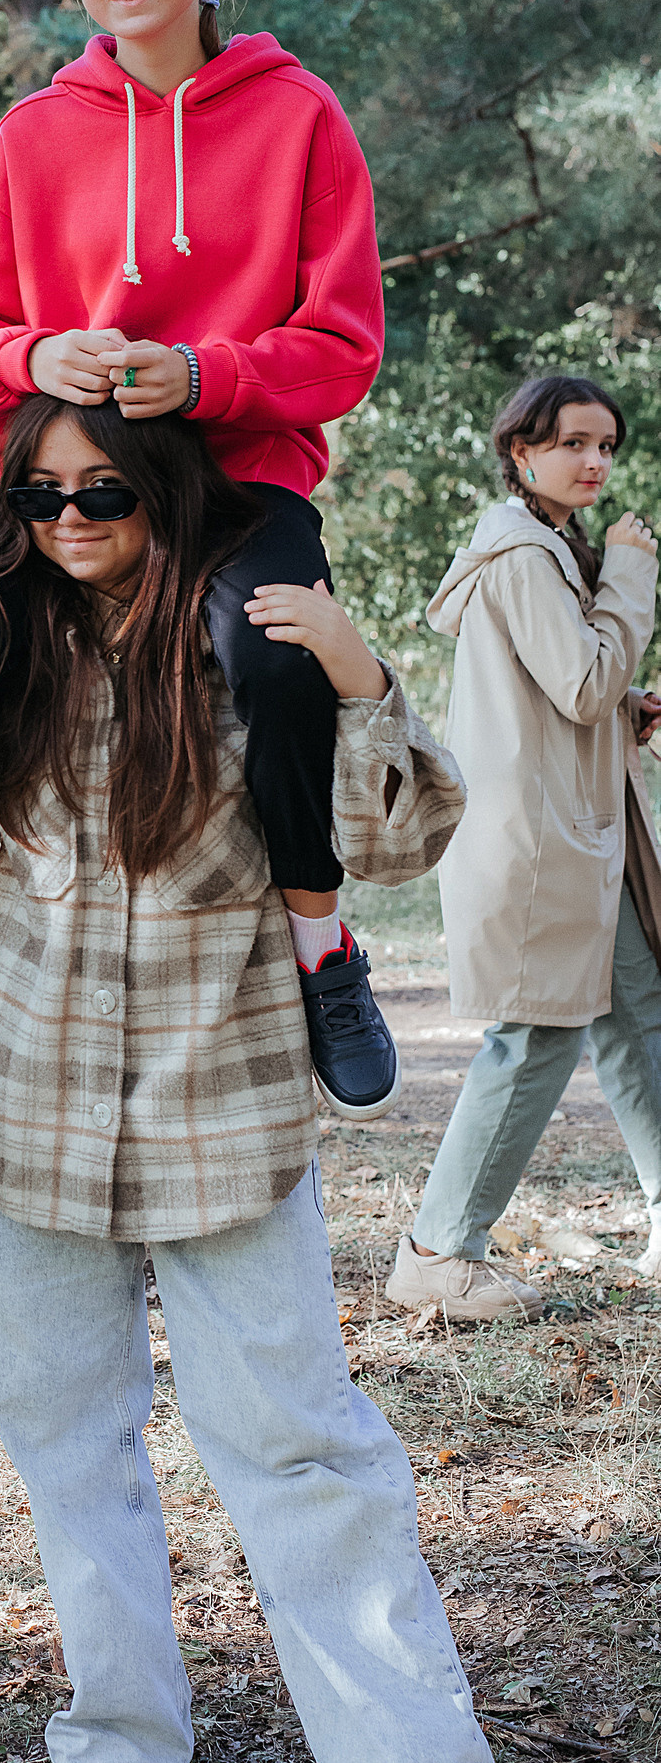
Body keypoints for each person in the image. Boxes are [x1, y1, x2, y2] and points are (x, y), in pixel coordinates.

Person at [0, 390, 516, 1763]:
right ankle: (121, 1728)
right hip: (24, 1099)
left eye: (107, 495)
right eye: (43, 494)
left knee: (295, 1442)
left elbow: (390, 844)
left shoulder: (235, 630)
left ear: (164, 496)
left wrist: (362, 678)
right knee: (66, 1436)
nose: (72, 522)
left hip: (221, 1097)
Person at [0, 0, 397, 1123]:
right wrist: (37, 358)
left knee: (274, 661)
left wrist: (207, 376)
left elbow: (340, 350)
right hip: (54, 486)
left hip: (235, 482)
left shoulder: (297, 117)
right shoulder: (29, 136)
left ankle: (318, 946)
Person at [388, 374, 661, 1323]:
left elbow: (571, 701)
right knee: (535, 1035)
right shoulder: (518, 551)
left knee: (638, 1010)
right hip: (544, 841)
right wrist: (631, 574)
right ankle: (437, 1251)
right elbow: (580, 682)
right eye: (575, 443)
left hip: (584, 830)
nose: (594, 462)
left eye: (606, 446)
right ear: (522, 451)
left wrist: (629, 713)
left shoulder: (543, 546)